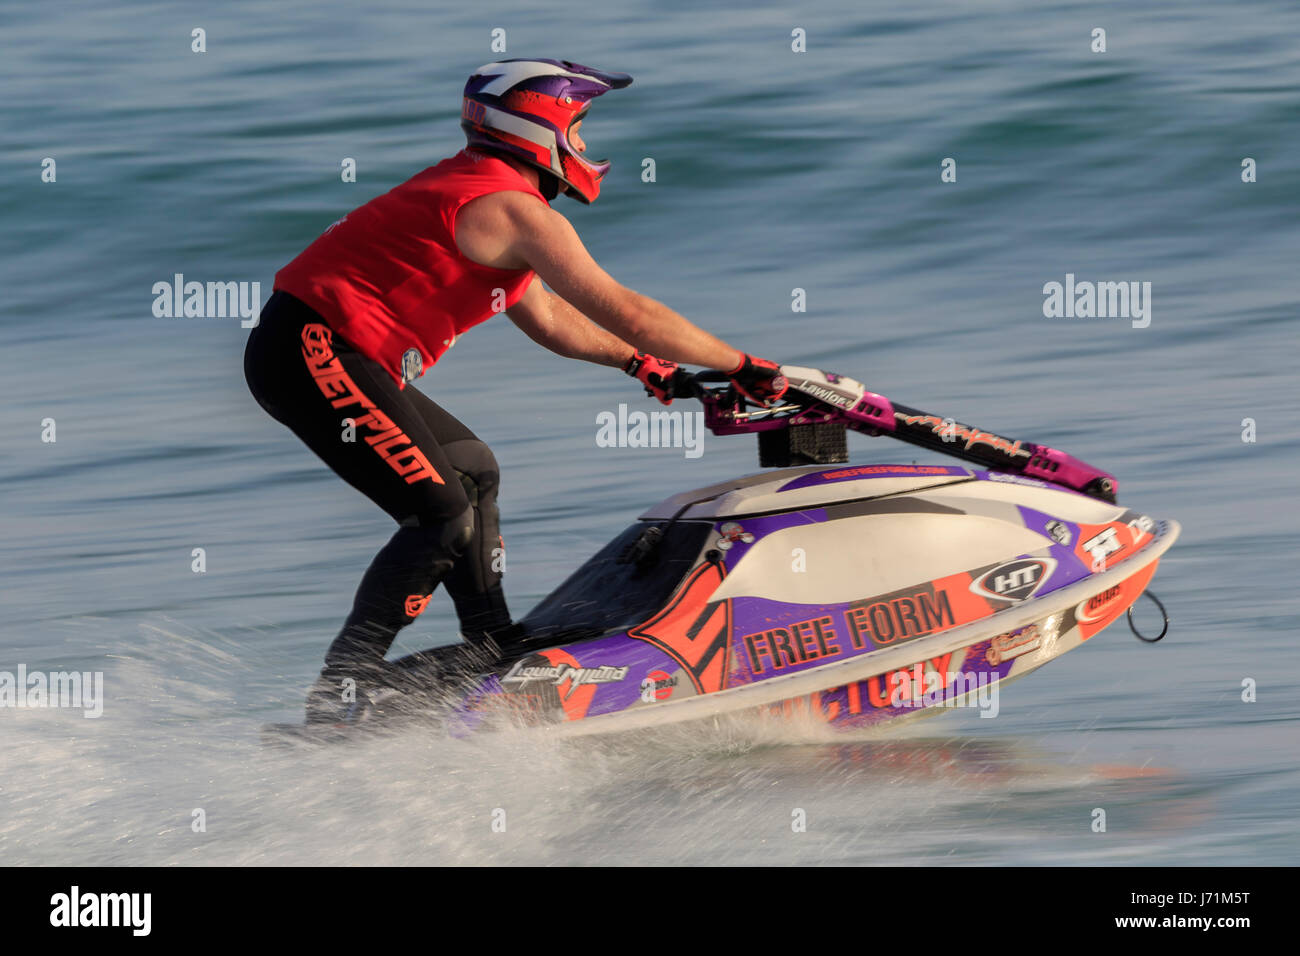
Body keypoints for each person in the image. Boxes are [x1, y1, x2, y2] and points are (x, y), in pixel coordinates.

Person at [243, 58, 787, 723]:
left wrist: (638, 365)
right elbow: (629, 311)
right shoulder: (511, 208)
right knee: (439, 515)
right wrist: (741, 363)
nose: (584, 148)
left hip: (321, 350)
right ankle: (342, 691)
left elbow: (550, 317)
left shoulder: (486, 193)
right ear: (541, 129)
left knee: (473, 469)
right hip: (313, 348)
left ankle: (490, 643)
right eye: (578, 129)